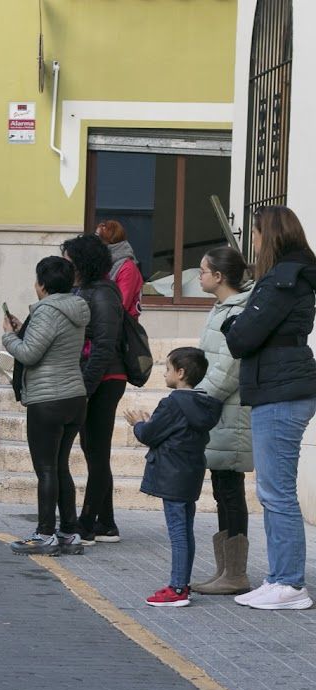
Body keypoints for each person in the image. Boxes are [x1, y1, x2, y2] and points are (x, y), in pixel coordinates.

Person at [223, 206, 316, 611]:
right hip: (279, 386)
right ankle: (278, 577)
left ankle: (291, 584)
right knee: (272, 491)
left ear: (271, 235)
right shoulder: (285, 277)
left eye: (257, 233)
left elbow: (243, 338)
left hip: (282, 390)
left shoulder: (282, 280)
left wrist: (231, 325)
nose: (253, 241)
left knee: (277, 493)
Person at [1, 256, 89, 555]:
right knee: (61, 465)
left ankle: (45, 533)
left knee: (47, 469)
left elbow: (28, 354)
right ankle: (69, 532)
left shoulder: (46, 311)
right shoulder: (76, 309)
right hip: (74, 396)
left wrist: (9, 336)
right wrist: (23, 329)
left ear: (42, 284)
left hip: (48, 399)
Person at [125, 348, 221, 607]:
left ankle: (178, 588)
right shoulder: (204, 404)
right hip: (190, 473)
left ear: (181, 373)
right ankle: (182, 584)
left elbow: (150, 435)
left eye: (167, 369)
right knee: (185, 532)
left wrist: (138, 424)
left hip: (171, 474)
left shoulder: (173, 402)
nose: (164, 373)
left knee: (178, 533)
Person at [191, 246, 253, 596]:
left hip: (229, 413)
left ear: (219, 276)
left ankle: (236, 574)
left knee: (230, 491)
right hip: (218, 413)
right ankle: (224, 569)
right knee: (221, 489)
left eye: (202, 271)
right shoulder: (222, 308)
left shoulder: (240, 310)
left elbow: (229, 368)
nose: (198, 276)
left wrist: (199, 399)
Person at [63, 233, 127, 545]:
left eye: (69, 259)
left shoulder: (102, 293)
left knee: (97, 452)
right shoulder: (87, 289)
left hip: (105, 379)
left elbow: (104, 346)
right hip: (94, 378)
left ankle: (87, 523)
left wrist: (85, 388)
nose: (66, 264)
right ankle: (107, 523)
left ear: (82, 262)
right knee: (93, 450)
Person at [96, 219, 143, 318]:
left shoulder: (127, 267)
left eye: (98, 237)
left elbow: (122, 303)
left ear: (107, 241)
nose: (94, 241)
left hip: (119, 326)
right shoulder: (103, 263)